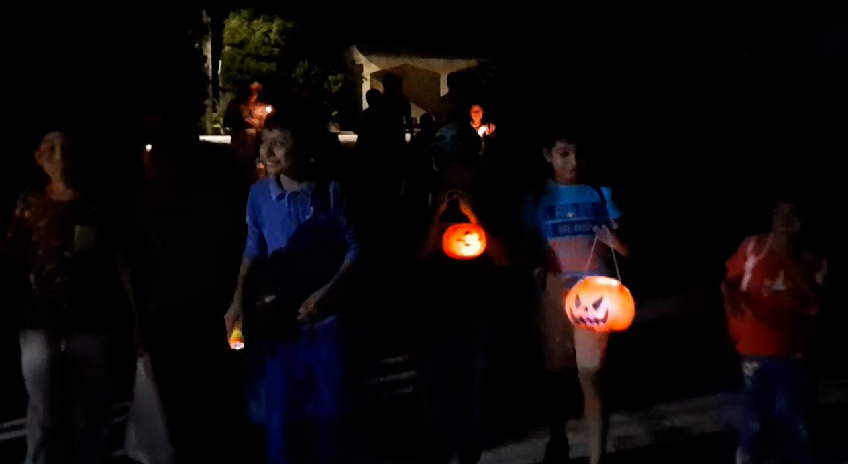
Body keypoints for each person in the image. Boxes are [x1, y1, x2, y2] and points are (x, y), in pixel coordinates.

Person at [224, 113, 360, 464]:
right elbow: (254, 247)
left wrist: (326, 294)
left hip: (324, 322)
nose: (269, 151)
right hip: (278, 321)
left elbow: (355, 249)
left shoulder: (329, 192)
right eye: (264, 142)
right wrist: (238, 300)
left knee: (327, 417)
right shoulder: (258, 194)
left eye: (280, 142)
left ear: (304, 149)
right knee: (279, 416)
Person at [1, 131, 136, 464]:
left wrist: (135, 317)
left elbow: (120, 260)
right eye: (51, 149)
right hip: (39, 323)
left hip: (90, 323)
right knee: (43, 412)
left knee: (91, 412)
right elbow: (12, 253)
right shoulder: (30, 202)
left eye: (66, 150)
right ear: (38, 157)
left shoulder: (96, 204)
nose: (59, 157)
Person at [522, 129, 629, 464]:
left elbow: (626, 249)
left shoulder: (601, 193)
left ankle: (597, 455)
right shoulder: (538, 196)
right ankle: (558, 438)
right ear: (547, 155)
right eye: (563, 153)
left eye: (578, 154)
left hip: (594, 299)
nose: (573, 162)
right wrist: (538, 270)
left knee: (590, 374)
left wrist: (615, 241)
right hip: (553, 295)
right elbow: (526, 246)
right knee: (557, 373)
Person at [721, 197, 826, 464]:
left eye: (789, 214)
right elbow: (728, 281)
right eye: (777, 212)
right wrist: (730, 298)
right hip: (753, 352)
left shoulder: (810, 260)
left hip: (792, 355)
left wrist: (793, 266)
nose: (780, 219)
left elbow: (815, 307)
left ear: (799, 224)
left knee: (793, 417)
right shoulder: (753, 247)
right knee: (753, 420)